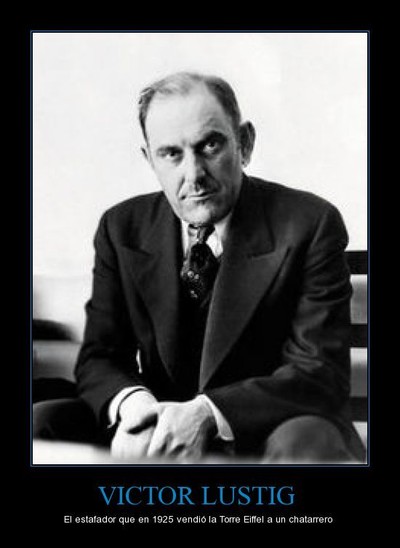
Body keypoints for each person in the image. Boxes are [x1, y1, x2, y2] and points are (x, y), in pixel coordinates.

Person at [33, 71, 366, 463]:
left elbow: (318, 373)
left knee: (306, 442)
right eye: (171, 154)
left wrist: (207, 413)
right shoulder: (121, 227)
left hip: (269, 429)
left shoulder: (310, 222)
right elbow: (100, 357)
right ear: (149, 159)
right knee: (44, 422)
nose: (193, 175)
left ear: (244, 143)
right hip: (158, 425)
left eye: (209, 145)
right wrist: (135, 408)